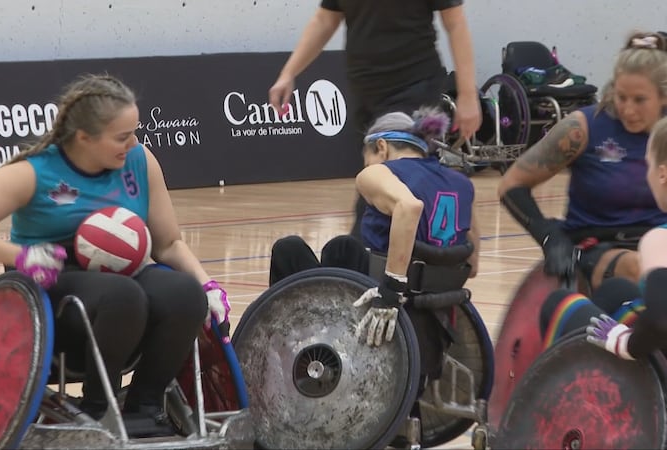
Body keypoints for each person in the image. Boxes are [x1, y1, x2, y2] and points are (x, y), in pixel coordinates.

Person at [0, 74, 231, 437]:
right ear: (84, 138)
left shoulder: (139, 160)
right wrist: (20, 255)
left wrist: (207, 284)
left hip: (125, 275)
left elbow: (167, 244)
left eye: (134, 133)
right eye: (122, 137)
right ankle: (97, 406)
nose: (133, 143)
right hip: (57, 286)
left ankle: (145, 405)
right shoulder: (35, 172)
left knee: (185, 294)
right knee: (124, 297)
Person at [269, 108, 480, 391]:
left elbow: (410, 206)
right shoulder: (462, 184)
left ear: (381, 147)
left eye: (366, 158)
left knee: (290, 250)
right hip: (433, 331)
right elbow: (472, 262)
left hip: (372, 325)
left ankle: (281, 366)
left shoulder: (379, 173)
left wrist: (391, 291)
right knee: (342, 247)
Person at [268, 0, 482, 242]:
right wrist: (288, 73)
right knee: (376, 187)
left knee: (394, 180)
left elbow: (455, 23)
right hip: (365, 92)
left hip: (414, 86)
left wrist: (467, 95)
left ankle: (374, 259)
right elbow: (325, 20)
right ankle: (392, 261)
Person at [498, 31, 667, 292]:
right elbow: (511, 185)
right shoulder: (582, 128)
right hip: (596, 248)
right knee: (641, 268)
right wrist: (549, 237)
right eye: (621, 97)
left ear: (663, 97)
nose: (628, 109)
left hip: (658, 243)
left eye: (640, 100)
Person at [583, 115, 667, 360]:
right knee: (617, 290)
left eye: (648, 164)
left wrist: (625, 344)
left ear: (663, 173)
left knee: (559, 305)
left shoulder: (659, 239)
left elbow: (661, 319)